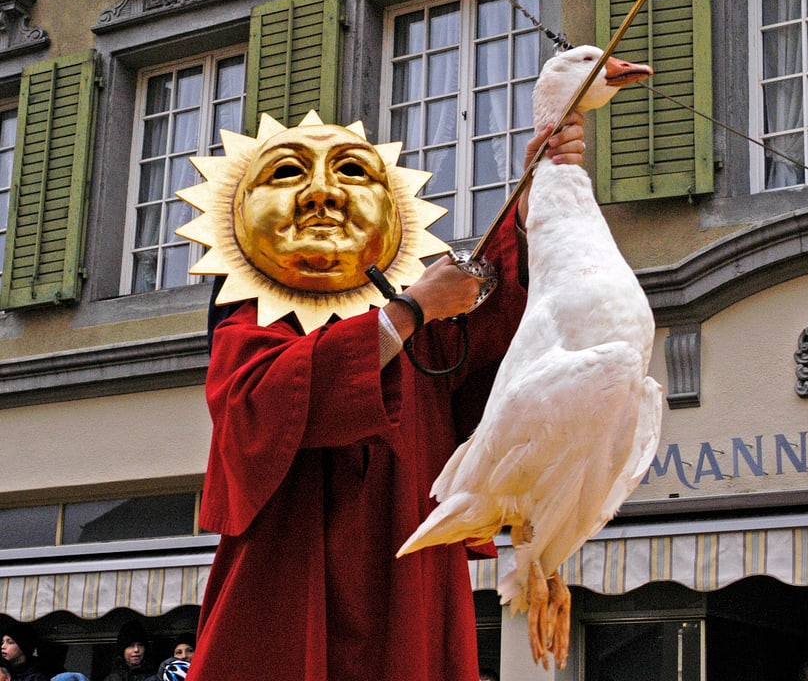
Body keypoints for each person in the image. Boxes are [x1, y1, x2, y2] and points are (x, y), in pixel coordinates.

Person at [185, 110, 586, 681]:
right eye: (287, 176)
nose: (321, 195)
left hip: (409, 577)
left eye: (350, 173)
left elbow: (492, 333)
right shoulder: (252, 316)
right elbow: (258, 404)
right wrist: (409, 310)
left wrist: (532, 199)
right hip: (298, 573)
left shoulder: (427, 322)